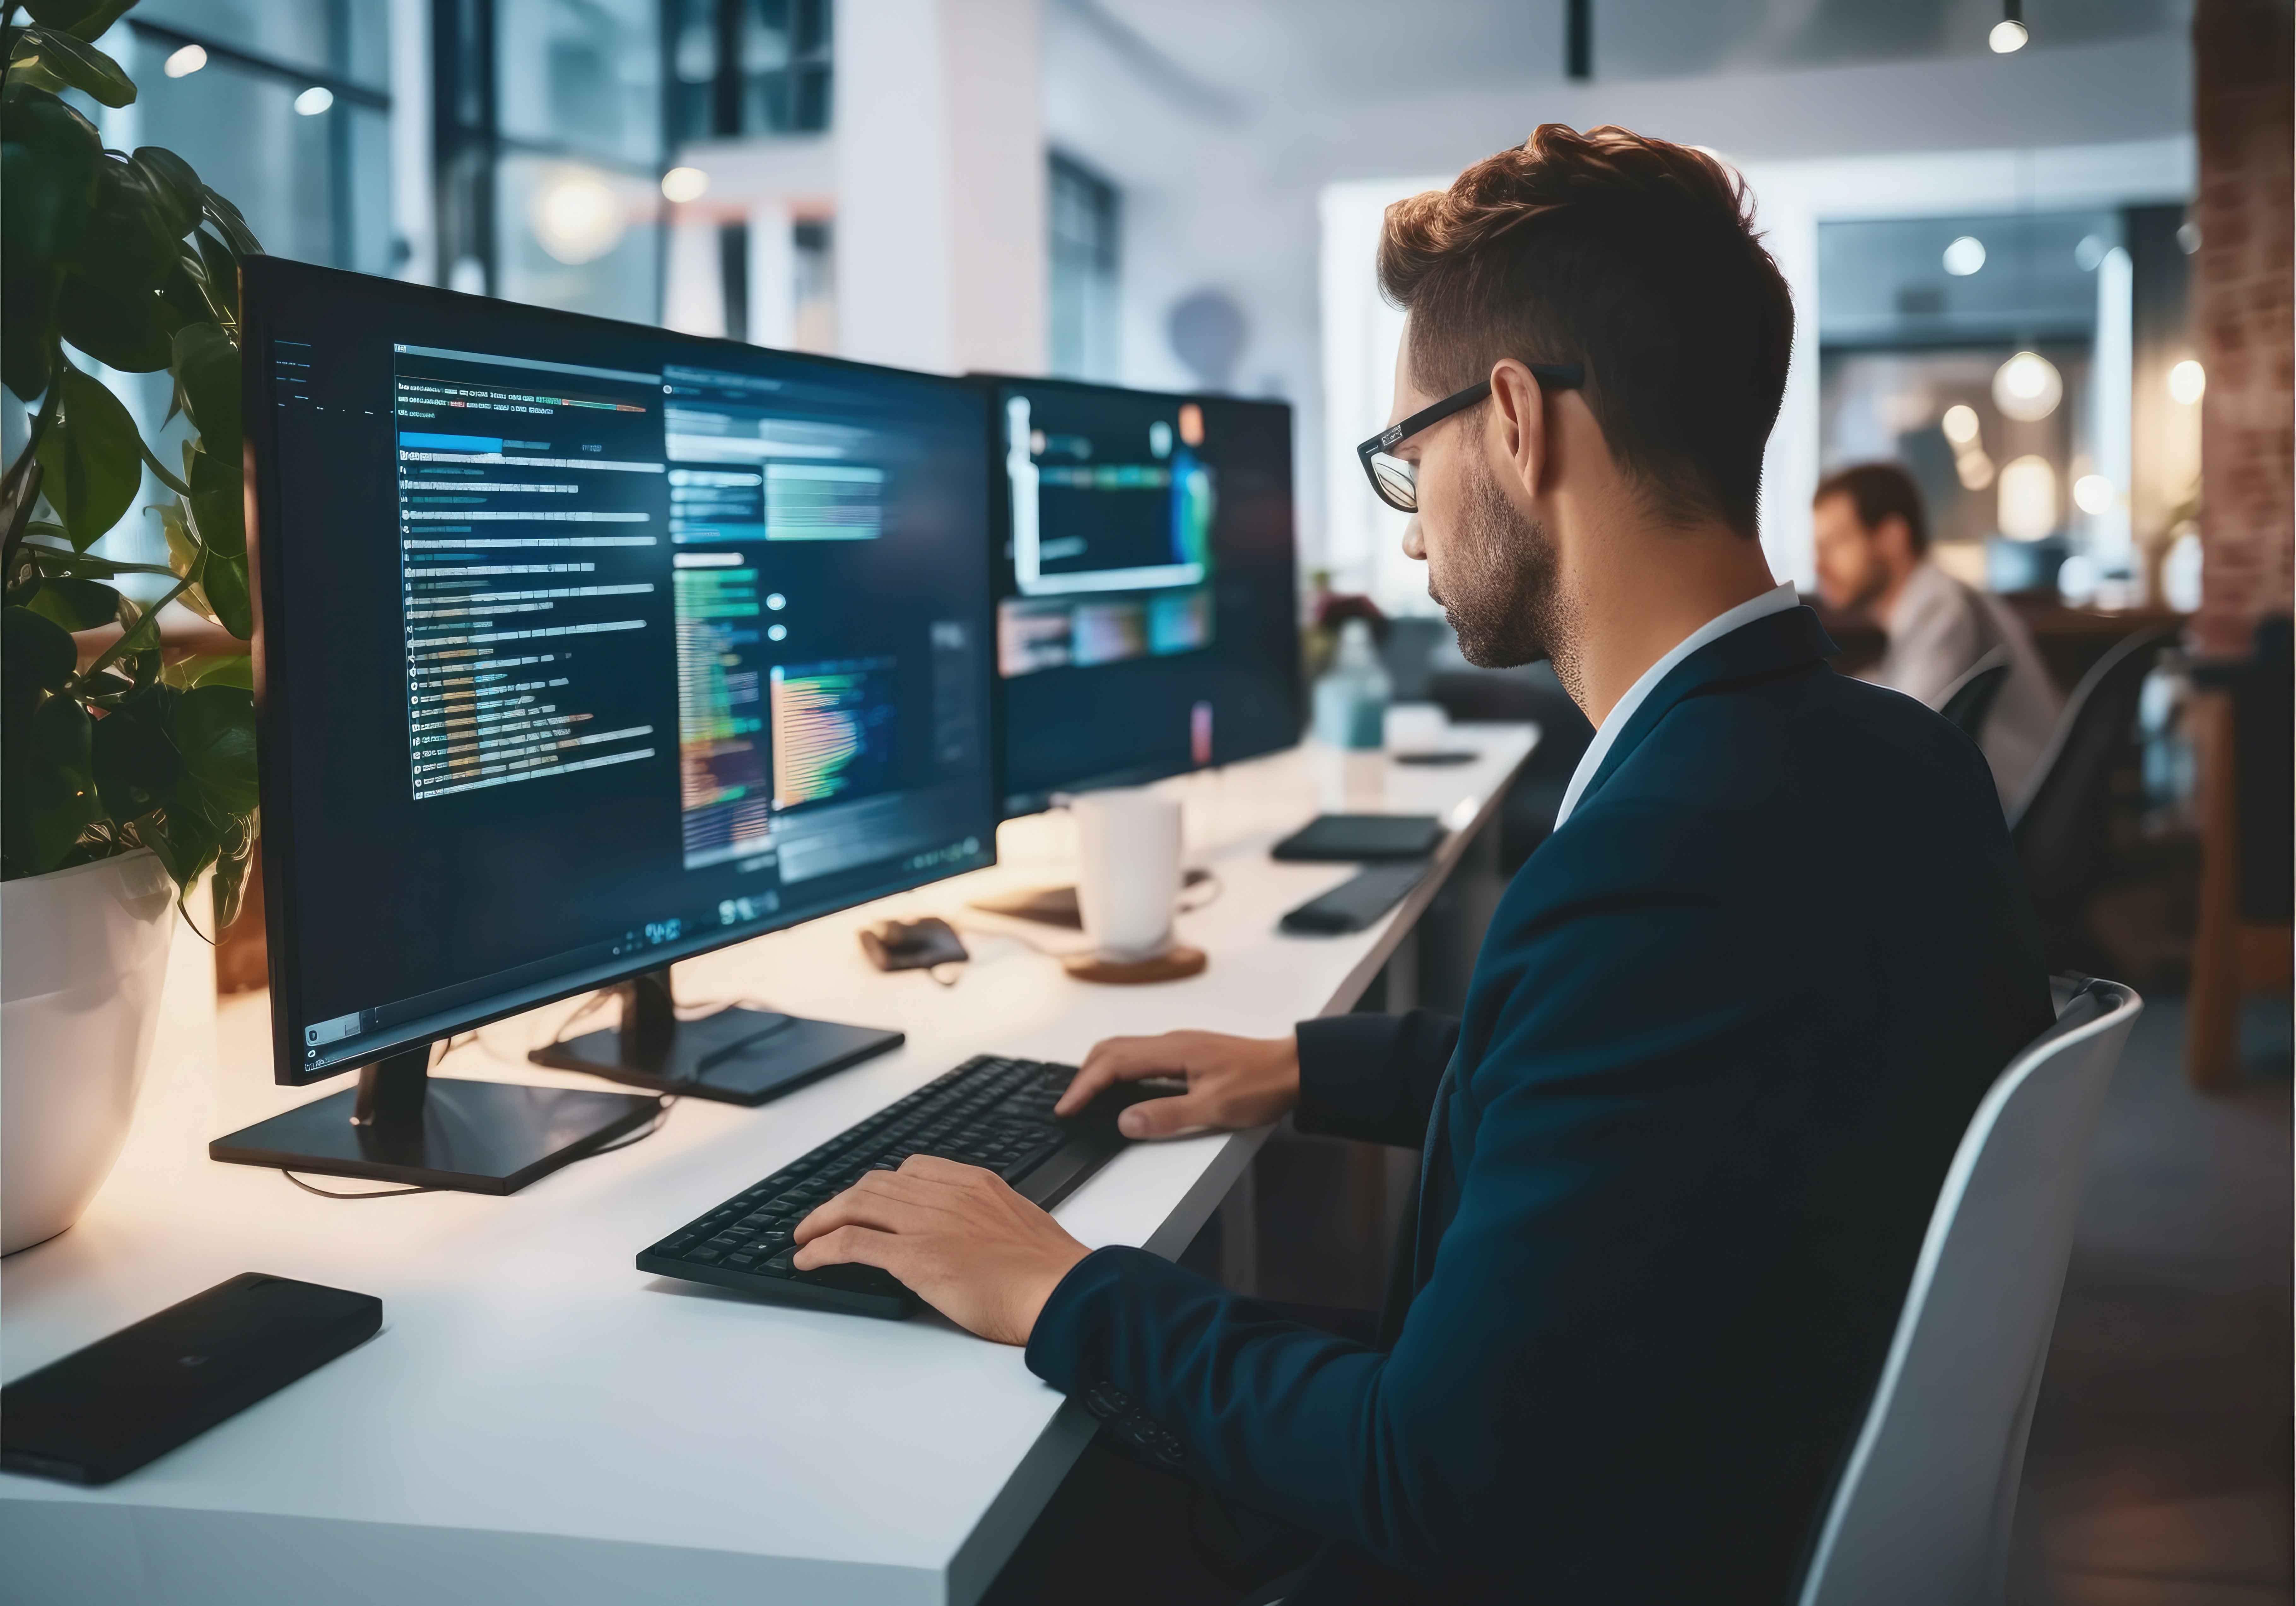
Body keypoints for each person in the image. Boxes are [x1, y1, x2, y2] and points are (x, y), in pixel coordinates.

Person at [792, 125, 2055, 1605]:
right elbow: (1654, 1079)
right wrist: (1312, 1067)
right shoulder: (1879, 756)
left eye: (1408, 450)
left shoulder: (1668, 853)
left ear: (1514, 421)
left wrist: (1057, 1284)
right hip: (1718, 1442)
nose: (1409, 531)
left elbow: (1424, 1472)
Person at [1812, 461, 2064, 806]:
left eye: (1837, 543)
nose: (1820, 565)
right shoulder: (1934, 601)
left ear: (1892, 538)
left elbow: (1904, 736)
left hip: (2012, 815)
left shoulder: (1941, 607)